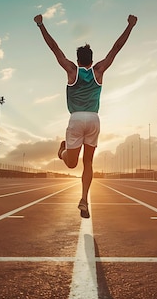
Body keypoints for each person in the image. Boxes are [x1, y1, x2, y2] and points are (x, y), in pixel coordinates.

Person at [34, 14, 137, 218]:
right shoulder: (99, 71)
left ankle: (82, 197)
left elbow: (54, 49)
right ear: (91, 59)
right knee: (87, 162)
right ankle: (83, 196)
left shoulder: (72, 71)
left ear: (78, 59)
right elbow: (116, 48)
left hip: (77, 118)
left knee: (71, 164)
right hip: (93, 119)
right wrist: (130, 26)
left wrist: (41, 25)